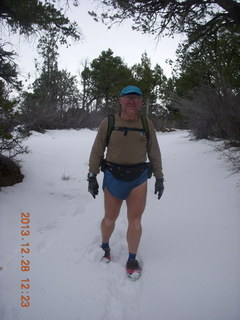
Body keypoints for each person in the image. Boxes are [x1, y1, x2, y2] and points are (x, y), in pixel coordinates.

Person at [87, 85, 164, 280]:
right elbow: (97, 150)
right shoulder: (109, 122)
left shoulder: (147, 124)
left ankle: (132, 258)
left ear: (141, 102)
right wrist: (92, 175)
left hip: (138, 178)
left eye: (136, 98)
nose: (132, 101)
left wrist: (159, 177)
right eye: (128, 97)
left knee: (136, 221)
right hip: (113, 175)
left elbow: (154, 151)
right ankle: (105, 246)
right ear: (120, 100)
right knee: (110, 219)